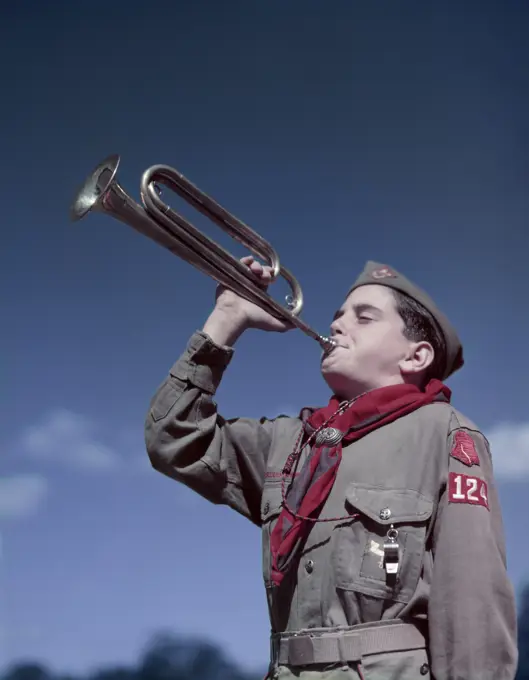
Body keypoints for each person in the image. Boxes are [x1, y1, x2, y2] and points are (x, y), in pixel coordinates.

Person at [144, 258, 518, 680]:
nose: (338, 325)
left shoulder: (443, 433)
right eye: (338, 316)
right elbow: (172, 439)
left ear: (416, 356)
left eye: (364, 317)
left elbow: (473, 606)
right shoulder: (289, 441)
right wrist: (226, 317)